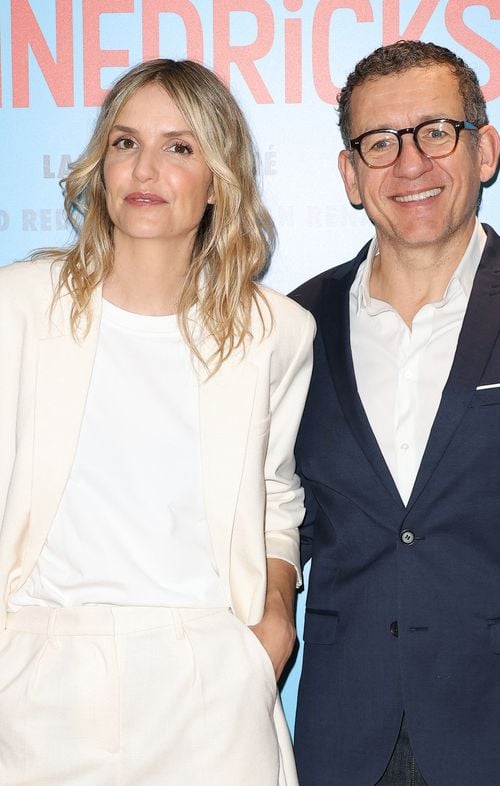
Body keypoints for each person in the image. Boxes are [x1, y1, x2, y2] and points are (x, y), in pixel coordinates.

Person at [0, 58, 314, 786]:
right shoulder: (15, 308)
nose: (146, 168)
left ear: (218, 180)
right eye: (124, 142)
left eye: (180, 147)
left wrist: (270, 625)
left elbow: (276, 497)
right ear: (100, 165)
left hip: (209, 682)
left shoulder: (276, 332)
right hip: (37, 675)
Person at [290, 40, 500, 786]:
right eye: (379, 142)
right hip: (346, 742)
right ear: (350, 175)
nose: (409, 164)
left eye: (436, 132)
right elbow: (271, 520)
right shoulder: (294, 325)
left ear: (484, 149)